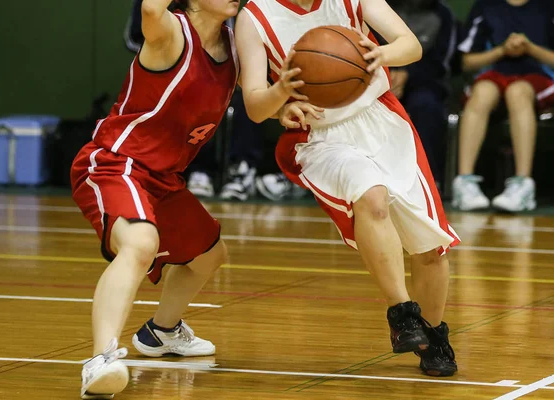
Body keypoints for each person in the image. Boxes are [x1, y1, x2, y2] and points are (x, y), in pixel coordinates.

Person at [235, 0, 460, 376]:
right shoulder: (254, 17)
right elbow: (255, 105)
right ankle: (402, 313)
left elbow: (412, 45)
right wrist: (282, 96)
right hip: (321, 137)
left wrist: (377, 53)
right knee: (370, 195)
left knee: (430, 251)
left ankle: (435, 336)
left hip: (382, 120)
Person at [70, 0, 239, 396]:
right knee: (140, 243)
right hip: (117, 163)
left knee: (209, 256)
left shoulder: (234, 46)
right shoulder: (169, 33)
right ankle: (100, 360)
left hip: (164, 177)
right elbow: (149, 9)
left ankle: (161, 332)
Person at [452, 0, 554, 212]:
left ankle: (523, 183)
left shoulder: (548, 6)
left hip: (540, 78)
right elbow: (467, 62)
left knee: (517, 92)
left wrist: (530, 48)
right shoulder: (485, 6)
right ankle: (464, 182)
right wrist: (502, 51)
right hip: (495, 74)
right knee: (481, 93)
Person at [385, 0, 460, 189]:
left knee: (426, 107)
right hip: (379, 78)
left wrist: (407, 73)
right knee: (362, 104)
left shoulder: (443, 14)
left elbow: (441, 62)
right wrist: (387, 73)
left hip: (425, 83)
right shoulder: (381, 7)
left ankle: (428, 179)